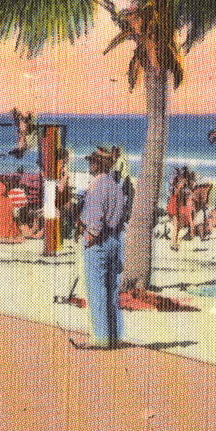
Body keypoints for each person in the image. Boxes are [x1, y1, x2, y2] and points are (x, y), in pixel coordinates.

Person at [75, 147, 127, 350]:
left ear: (97, 165)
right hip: (115, 240)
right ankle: (113, 335)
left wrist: (89, 239)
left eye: (92, 162)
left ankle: (101, 338)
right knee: (111, 292)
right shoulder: (116, 186)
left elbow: (95, 223)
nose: (90, 165)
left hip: (99, 242)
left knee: (97, 290)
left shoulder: (97, 186)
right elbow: (121, 214)